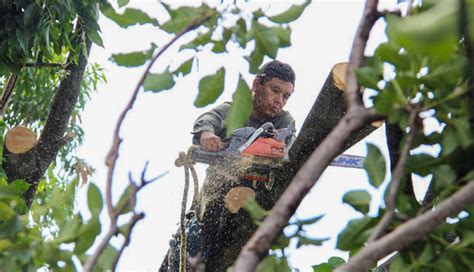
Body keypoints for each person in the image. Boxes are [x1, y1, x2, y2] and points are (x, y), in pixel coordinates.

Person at [166, 60, 296, 272]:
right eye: (275, 91)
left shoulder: (284, 121)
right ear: (256, 85)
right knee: (193, 243)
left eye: (286, 96)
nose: (279, 100)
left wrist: (272, 146)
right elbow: (210, 118)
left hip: (257, 200)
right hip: (216, 194)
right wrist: (207, 135)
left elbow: (289, 145)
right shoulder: (235, 110)